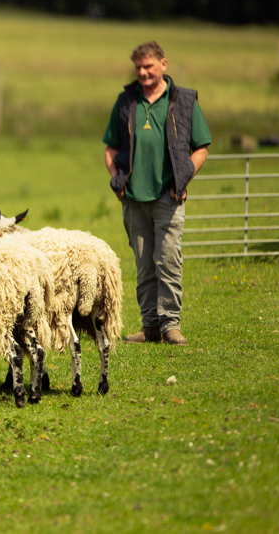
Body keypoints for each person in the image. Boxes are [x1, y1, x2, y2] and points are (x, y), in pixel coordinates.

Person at [102, 41, 211, 346]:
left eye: (148, 66)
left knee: (168, 261)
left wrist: (183, 177)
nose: (143, 72)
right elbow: (110, 148)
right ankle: (150, 326)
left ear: (163, 64)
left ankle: (170, 326)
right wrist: (117, 180)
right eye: (138, 67)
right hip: (134, 198)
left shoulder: (185, 100)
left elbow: (201, 148)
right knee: (144, 264)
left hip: (168, 196)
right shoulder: (126, 101)